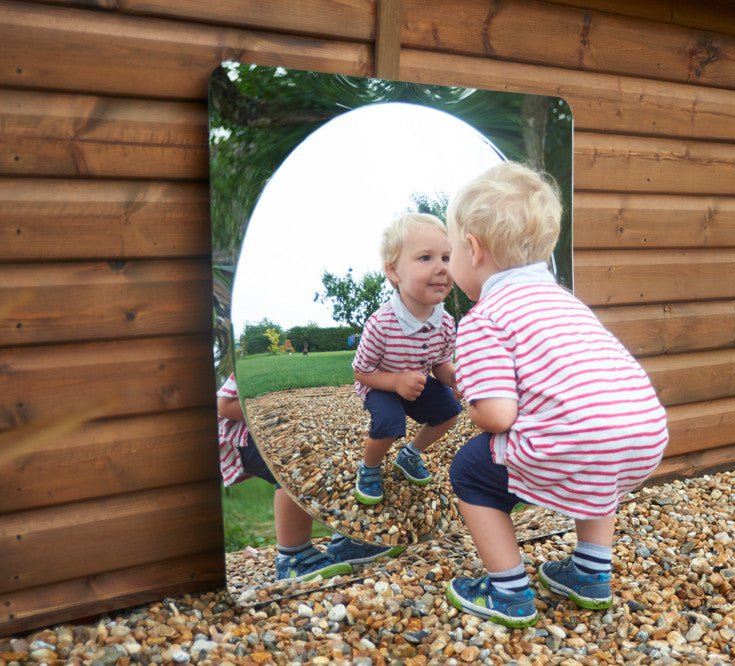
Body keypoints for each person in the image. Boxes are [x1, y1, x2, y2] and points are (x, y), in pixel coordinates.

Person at [443, 162, 670, 627]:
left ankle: (506, 591)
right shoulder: (567, 302)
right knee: (596, 455)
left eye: (449, 253)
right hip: (643, 434)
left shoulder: (485, 317)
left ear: (472, 249)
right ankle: (589, 572)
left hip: (580, 440)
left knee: (470, 469)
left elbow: (499, 415)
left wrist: (472, 400)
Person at [217, 373, 402, 582]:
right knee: (297, 465)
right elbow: (225, 405)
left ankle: (348, 541)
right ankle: (292, 558)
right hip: (240, 434)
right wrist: (285, 413)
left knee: (340, 453)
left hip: (270, 427)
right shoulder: (254, 365)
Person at [351, 213, 463, 505]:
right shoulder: (382, 323)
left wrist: (455, 378)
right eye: (426, 258)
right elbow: (362, 372)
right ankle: (370, 467)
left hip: (415, 384)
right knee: (389, 421)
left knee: (450, 410)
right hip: (380, 384)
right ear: (394, 272)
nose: (441, 268)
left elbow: (440, 363)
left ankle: (409, 455)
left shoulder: (446, 322)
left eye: (447, 257)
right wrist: (396, 381)